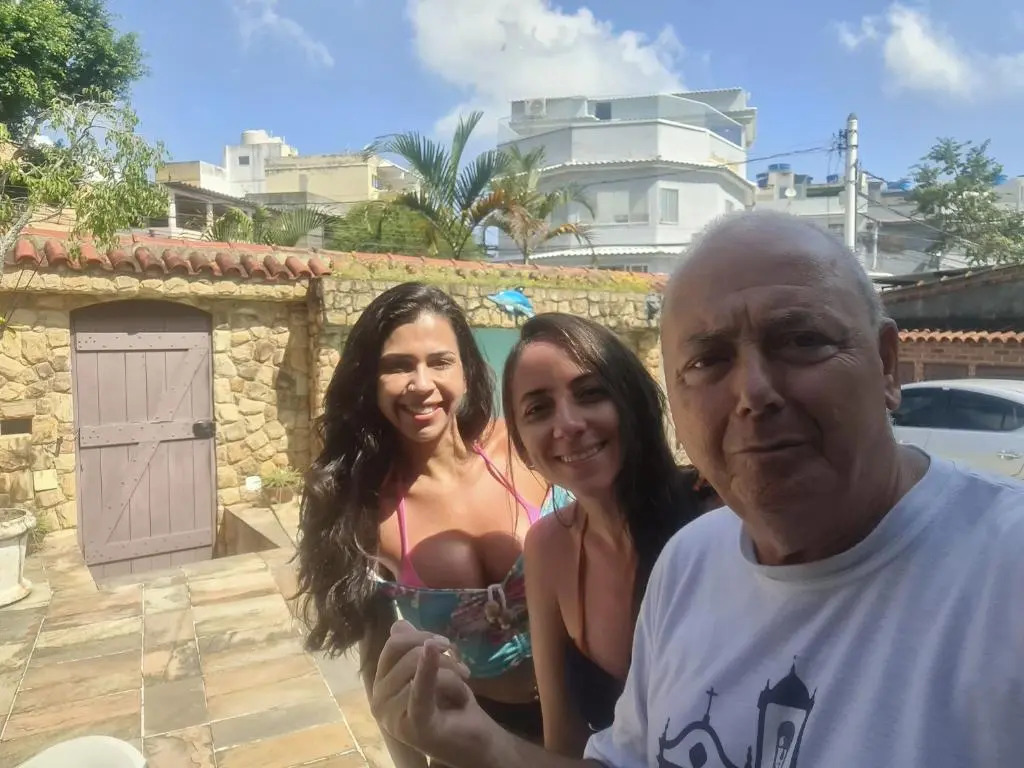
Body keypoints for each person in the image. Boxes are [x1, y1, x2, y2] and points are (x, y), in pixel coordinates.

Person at [366, 211, 1024, 768]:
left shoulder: (1002, 578)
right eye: (709, 360)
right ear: (678, 400)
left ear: (886, 364)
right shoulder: (691, 562)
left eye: (801, 340)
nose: (754, 392)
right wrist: (478, 742)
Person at [297, 282, 563, 767]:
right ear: (370, 380)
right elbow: (382, 663)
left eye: (440, 361)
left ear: (466, 370)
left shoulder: (523, 447)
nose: (421, 384)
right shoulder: (368, 509)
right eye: (398, 366)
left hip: (585, 712)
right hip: (471, 733)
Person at [504, 313, 717, 755]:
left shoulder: (716, 513)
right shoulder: (547, 548)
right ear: (522, 448)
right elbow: (562, 737)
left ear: (633, 401)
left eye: (591, 394)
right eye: (538, 409)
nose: (568, 424)